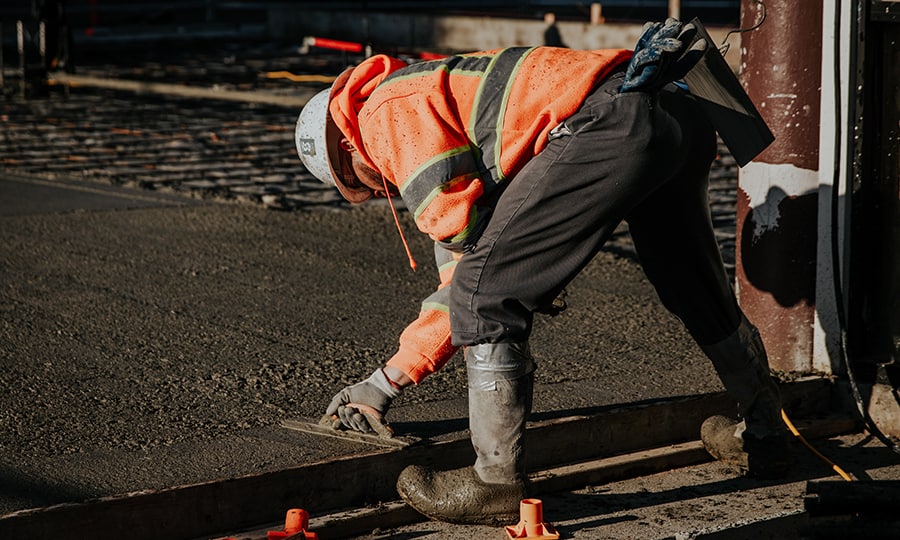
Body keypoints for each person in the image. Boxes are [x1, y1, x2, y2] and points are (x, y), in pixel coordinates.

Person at [294, 18, 790, 526]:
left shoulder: (385, 118)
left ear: (346, 147)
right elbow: (472, 253)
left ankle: (494, 482)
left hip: (612, 119)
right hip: (673, 111)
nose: (378, 191)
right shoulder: (430, 94)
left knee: (486, 296)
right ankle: (767, 431)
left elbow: (470, 278)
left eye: (358, 183)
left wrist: (384, 382)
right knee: (694, 285)